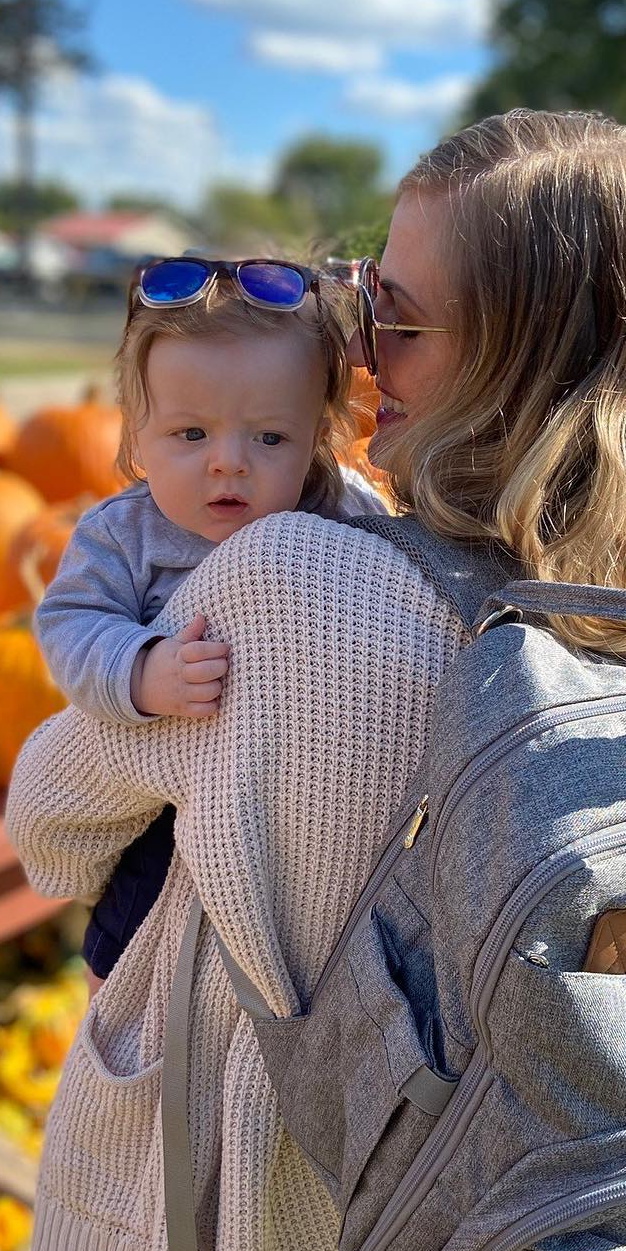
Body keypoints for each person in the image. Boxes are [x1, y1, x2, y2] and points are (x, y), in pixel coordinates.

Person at [4, 109, 626, 1251]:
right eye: (366, 299)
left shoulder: (297, 585)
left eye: (401, 324)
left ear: (523, 360)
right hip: (478, 1225)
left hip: (243, 1227)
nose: (362, 360)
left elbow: (51, 824)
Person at [33, 259, 386, 986]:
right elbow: (70, 622)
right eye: (191, 435)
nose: (228, 465)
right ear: (138, 431)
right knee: (130, 957)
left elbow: (391, 600)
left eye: (269, 439)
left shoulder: (345, 515)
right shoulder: (123, 534)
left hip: (305, 803)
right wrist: (140, 668)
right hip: (168, 806)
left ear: (319, 433)